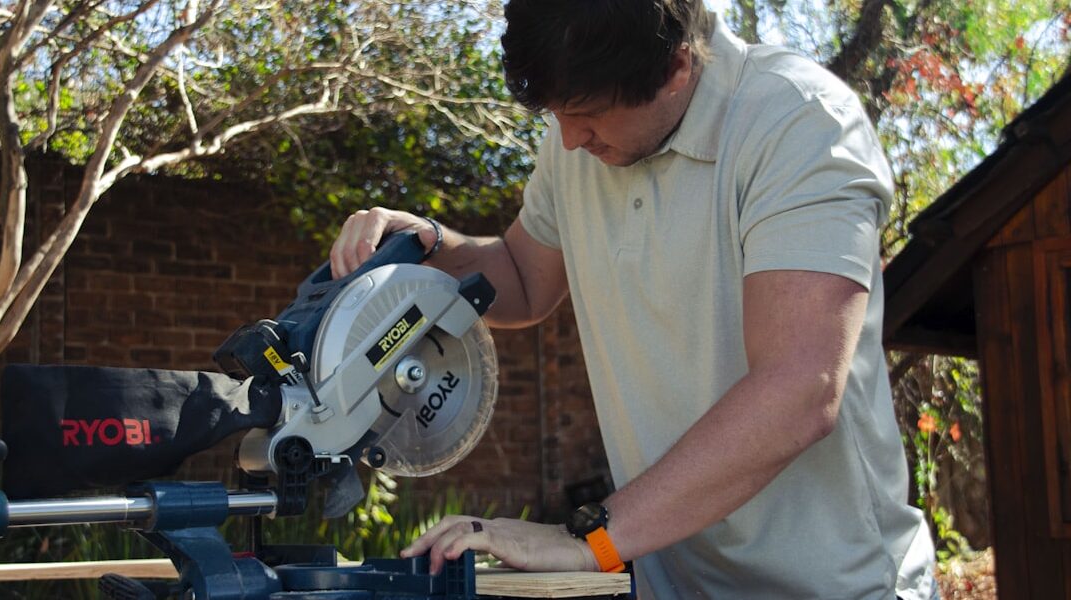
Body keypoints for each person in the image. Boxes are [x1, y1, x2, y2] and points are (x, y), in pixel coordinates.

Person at [329, 0, 938, 597]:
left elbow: (800, 389)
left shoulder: (800, 125)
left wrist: (590, 539)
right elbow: (520, 277)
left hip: (837, 586)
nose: (568, 141)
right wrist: (431, 245)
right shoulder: (580, 140)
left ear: (677, 67)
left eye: (587, 114)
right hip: (676, 583)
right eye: (557, 114)